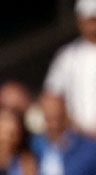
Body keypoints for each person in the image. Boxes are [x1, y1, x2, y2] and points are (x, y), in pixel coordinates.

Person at [44, 0, 96, 138]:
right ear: (80, 20)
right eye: (90, 20)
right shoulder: (67, 57)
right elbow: (52, 95)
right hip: (80, 138)